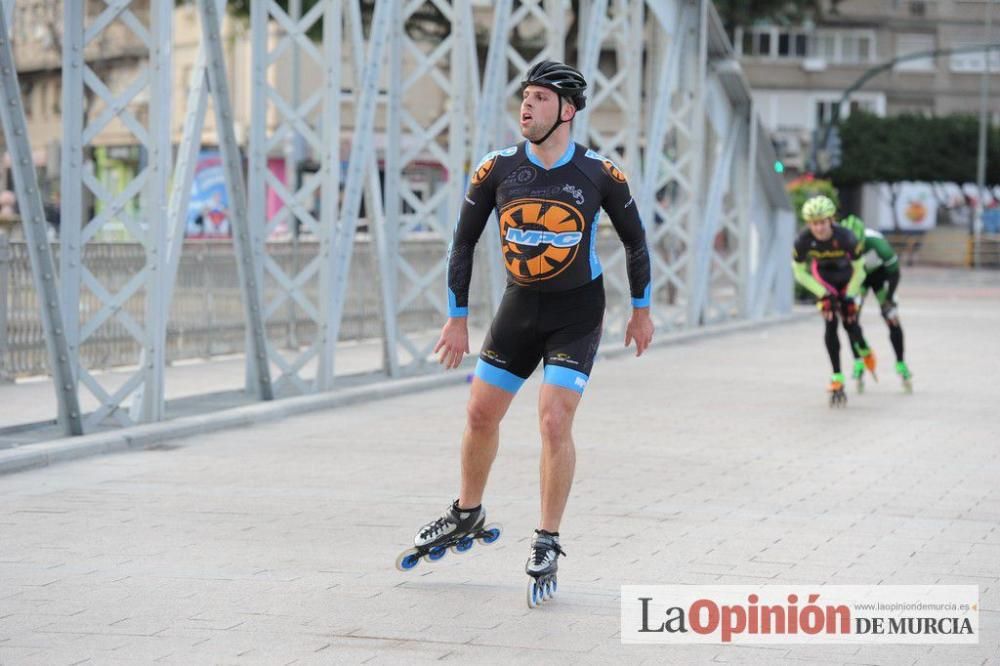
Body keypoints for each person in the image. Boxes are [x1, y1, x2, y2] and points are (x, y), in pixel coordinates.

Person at [397, 61, 654, 604]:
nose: (527, 106)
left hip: (577, 312)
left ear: (568, 110)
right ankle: (467, 513)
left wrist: (641, 309)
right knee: (478, 414)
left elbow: (635, 242)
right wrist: (457, 315)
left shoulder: (600, 173)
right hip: (518, 307)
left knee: (553, 420)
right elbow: (462, 243)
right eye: (525, 96)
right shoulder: (495, 168)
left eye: (540, 98)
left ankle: (547, 539)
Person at [792, 195, 875, 406]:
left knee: (850, 324)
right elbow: (799, 272)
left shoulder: (846, 237)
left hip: (848, 278)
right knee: (830, 323)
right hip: (824, 280)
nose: (818, 228)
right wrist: (822, 293)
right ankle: (837, 376)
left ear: (831, 220)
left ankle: (864, 349)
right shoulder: (803, 240)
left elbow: (860, 269)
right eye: (813, 224)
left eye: (822, 222)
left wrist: (849, 295)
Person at [838, 215, 913, 392]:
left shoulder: (878, 244)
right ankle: (858, 361)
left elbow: (895, 273)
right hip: (859, 278)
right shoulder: (838, 243)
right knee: (850, 317)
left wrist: (889, 299)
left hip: (881, 276)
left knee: (891, 317)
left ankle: (901, 362)